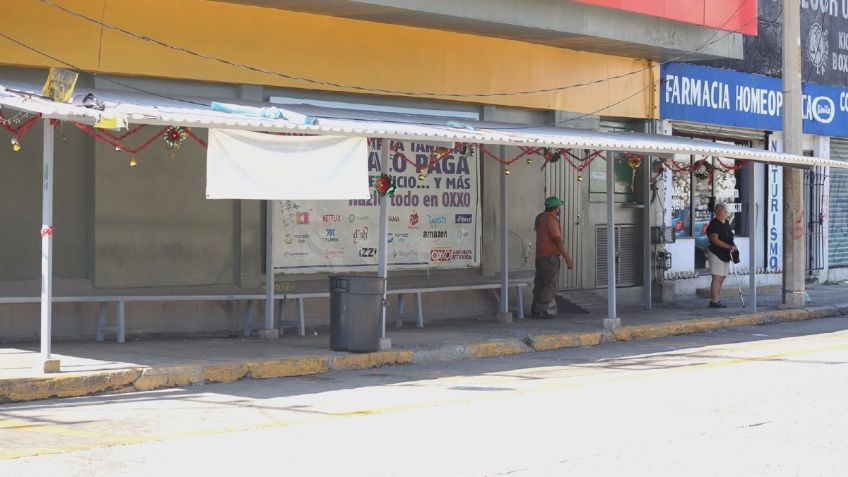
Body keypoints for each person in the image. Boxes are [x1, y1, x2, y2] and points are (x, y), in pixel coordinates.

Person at [531, 196, 574, 319]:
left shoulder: (539, 218)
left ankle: (535, 309)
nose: (559, 209)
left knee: (540, 283)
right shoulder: (551, 220)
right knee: (550, 284)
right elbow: (558, 240)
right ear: (555, 208)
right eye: (558, 207)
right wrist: (567, 258)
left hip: (539, 257)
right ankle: (542, 309)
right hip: (550, 258)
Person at [706, 203, 737, 308]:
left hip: (725, 254)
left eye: (723, 210)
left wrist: (733, 246)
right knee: (717, 277)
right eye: (718, 211)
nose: (721, 212)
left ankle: (717, 299)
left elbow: (729, 237)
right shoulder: (714, 224)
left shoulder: (726, 223)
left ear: (726, 212)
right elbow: (714, 239)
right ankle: (714, 301)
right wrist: (728, 247)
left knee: (722, 277)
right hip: (716, 253)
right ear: (715, 212)